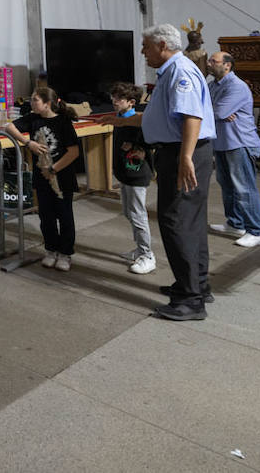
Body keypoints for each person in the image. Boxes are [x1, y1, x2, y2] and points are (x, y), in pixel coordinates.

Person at [97, 24, 216, 321]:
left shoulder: (180, 72)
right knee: (190, 221)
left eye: (146, 46)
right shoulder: (170, 72)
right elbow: (162, 117)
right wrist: (126, 122)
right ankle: (196, 285)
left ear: (162, 45)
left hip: (182, 153)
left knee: (177, 221)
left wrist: (186, 158)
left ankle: (190, 301)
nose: (142, 52)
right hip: (179, 151)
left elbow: (191, 117)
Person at [1, 88, 81, 271]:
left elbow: (74, 152)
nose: (32, 103)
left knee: (65, 216)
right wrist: (29, 143)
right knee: (46, 216)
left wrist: (53, 169)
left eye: (35, 100)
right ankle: (51, 250)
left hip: (61, 177)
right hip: (41, 177)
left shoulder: (63, 122)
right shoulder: (32, 118)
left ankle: (65, 253)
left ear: (47, 103)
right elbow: (9, 127)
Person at [207, 51, 260, 247]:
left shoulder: (237, 87)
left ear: (227, 65)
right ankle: (235, 223)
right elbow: (202, 107)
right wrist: (218, 111)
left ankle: (255, 231)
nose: (209, 64)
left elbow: (219, 111)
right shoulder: (212, 85)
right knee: (227, 185)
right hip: (222, 142)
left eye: (213, 61)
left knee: (244, 187)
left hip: (240, 142)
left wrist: (219, 111)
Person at [108, 82, 155, 274]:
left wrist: (138, 148)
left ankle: (147, 254)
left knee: (137, 214)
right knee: (128, 213)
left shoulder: (138, 120)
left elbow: (150, 142)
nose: (114, 101)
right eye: (113, 97)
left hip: (137, 174)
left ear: (131, 102)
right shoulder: (120, 118)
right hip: (125, 174)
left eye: (119, 98)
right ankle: (139, 249)